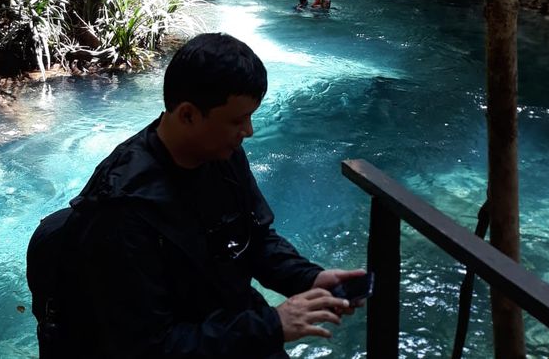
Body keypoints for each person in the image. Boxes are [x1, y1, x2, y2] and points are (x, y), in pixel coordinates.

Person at [27, 33, 366, 358]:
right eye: (238, 120)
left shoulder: (220, 152)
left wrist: (308, 278)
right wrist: (271, 326)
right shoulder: (121, 209)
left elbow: (254, 238)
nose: (248, 131)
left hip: (226, 324)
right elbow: (148, 347)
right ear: (188, 114)